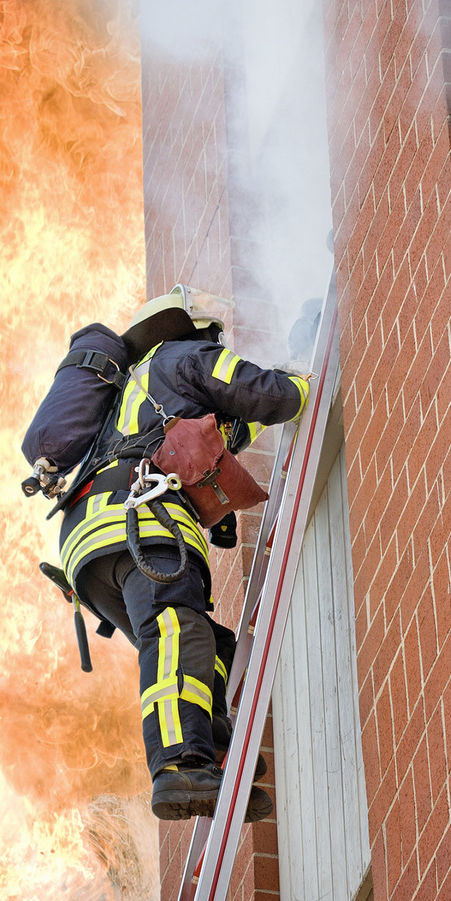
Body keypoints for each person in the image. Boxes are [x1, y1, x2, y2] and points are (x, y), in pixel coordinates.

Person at [54, 286, 309, 822]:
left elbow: (233, 425)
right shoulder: (182, 356)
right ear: (192, 331)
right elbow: (254, 391)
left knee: (209, 643)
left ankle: (208, 748)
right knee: (176, 630)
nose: (217, 345)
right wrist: (302, 389)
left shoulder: (138, 398)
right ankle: (178, 764)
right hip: (139, 522)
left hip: (91, 548)